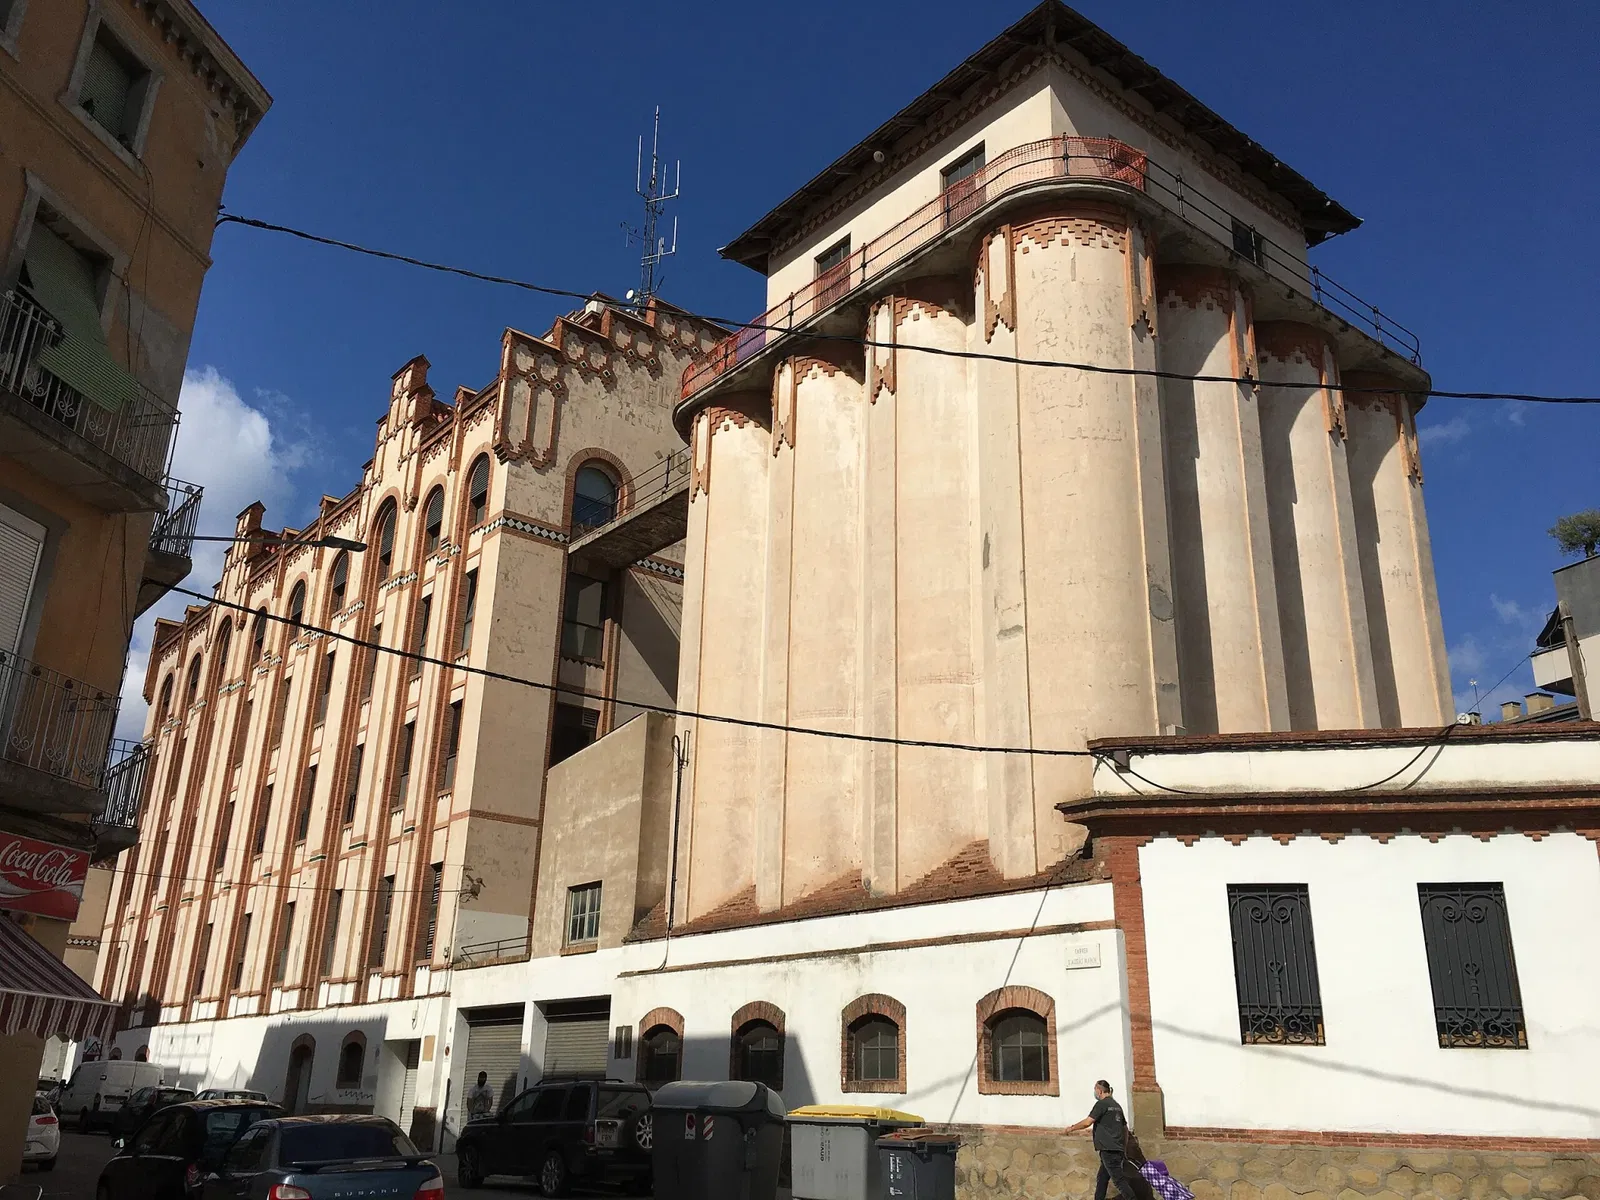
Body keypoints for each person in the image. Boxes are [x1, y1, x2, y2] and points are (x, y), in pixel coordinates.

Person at [1066, 1079, 1143, 1200]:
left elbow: (1088, 1122)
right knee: (1102, 1178)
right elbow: (1124, 1129)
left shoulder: (1102, 1104)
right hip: (1116, 1149)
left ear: (1100, 1091)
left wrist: (1071, 1128)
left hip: (1108, 1149)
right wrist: (1124, 1147)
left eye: (1095, 1090)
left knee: (1119, 1181)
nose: (1095, 1093)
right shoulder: (1117, 1106)